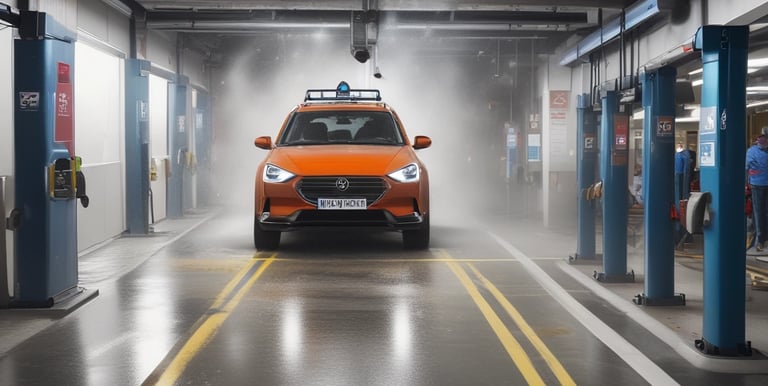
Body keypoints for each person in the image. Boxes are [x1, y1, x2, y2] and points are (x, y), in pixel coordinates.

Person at [745, 134, 768, 251]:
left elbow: (747, 168)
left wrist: (747, 183)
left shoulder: (751, 151)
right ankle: (761, 239)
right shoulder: (754, 151)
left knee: (758, 213)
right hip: (759, 183)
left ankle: (760, 240)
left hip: (757, 184)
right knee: (762, 212)